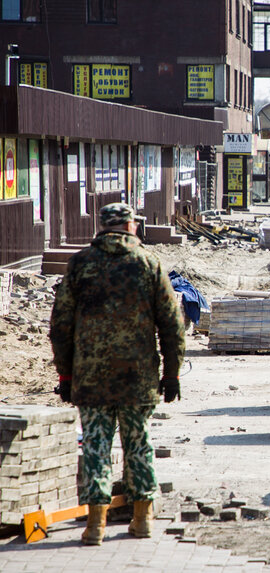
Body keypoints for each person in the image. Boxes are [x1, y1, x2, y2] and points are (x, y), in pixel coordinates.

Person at [49, 203, 185, 546]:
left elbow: (61, 326)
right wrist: (172, 374)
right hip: (138, 379)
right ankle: (143, 521)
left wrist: (65, 376)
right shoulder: (148, 263)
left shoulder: (80, 264)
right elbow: (172, 324)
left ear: (102, 227)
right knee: (139, 445)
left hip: (90, 379)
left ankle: (95, 526)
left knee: (95, 446)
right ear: (130, 225)